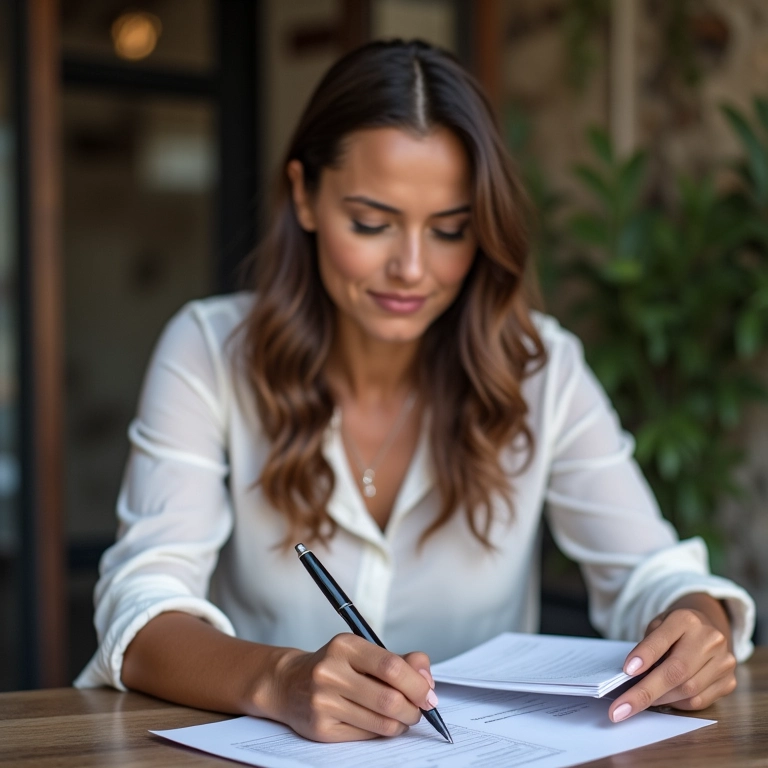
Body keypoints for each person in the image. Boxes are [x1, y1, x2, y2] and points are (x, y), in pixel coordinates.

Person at [75, 39, 755, 742]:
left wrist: (697, 625)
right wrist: (280, 680)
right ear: (304, 195)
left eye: (451, 231)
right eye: (371, 223)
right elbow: (143, 609)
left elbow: (651, 571)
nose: (410, 267)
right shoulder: (210, 352)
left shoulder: (539, 368)